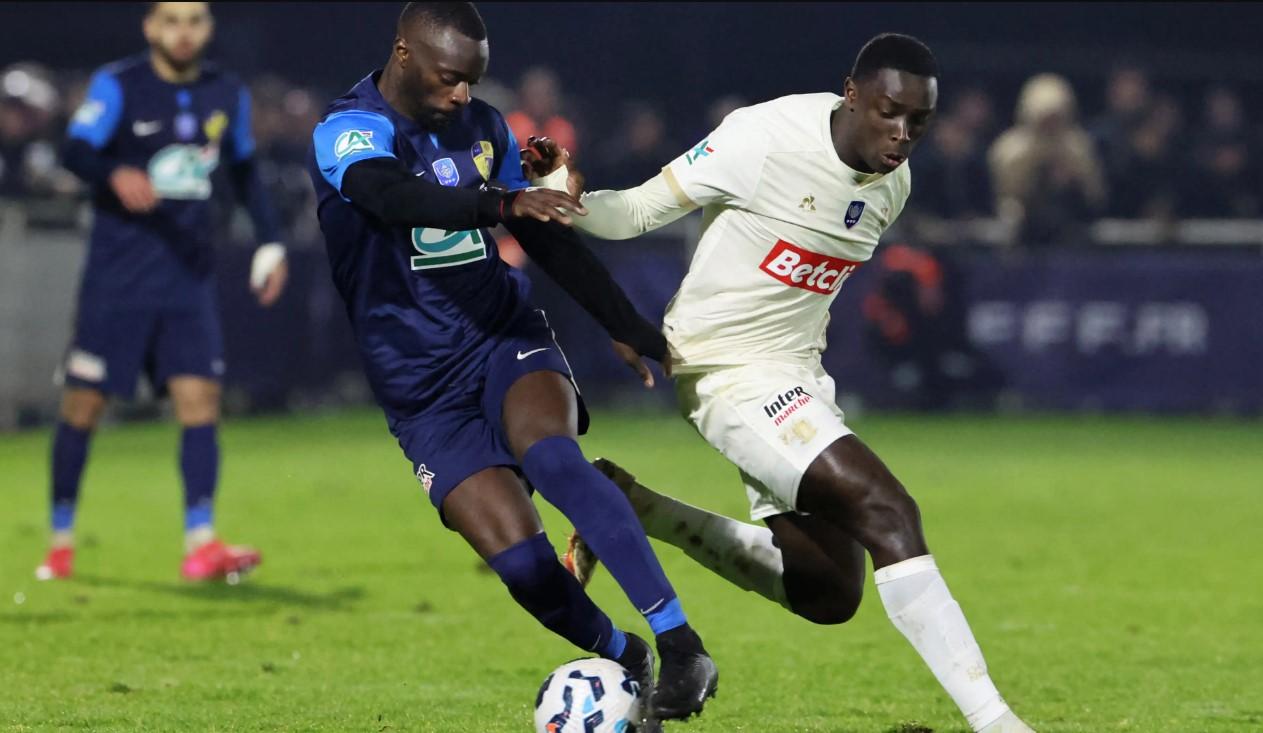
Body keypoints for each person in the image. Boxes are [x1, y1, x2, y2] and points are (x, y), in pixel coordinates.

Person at [526, 33, 1034, 733]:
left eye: (918, 120)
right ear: (851, 94)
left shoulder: (895, 184)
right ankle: (999, 723)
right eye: (888, 112)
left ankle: (629, 504)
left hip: (797, 375)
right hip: (724, 369)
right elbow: (636, 213)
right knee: (889, 510)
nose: (902, 133)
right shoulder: (763, 138)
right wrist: (566, 193)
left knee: (827, 591)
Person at [304, 3, 717, 726]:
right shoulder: (349, 129)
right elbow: (389, 195)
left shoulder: (484, 127)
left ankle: (680, 643)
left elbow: (541, 232)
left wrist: (621, 323)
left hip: (502, 334)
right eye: (449, 77)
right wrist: (499, 201)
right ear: (403, 53)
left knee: (553, 457)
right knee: (525, 568)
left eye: (472, 79)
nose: (462, 93)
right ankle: (625, 655)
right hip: (419, 386)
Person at [37, 1, 289, 583]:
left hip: (187, 277)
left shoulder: (226, 92)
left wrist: (271, 242)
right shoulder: (119, 85)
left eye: (194, 20)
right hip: (117, 279)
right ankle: (60, 540)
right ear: (151, 27)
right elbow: (76, 149)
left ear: (208, 28)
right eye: (171, 20)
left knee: (200, 400)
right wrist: (113, 173)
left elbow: (245, 172)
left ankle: (201, 542)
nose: (183, 32)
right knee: (83, 406)